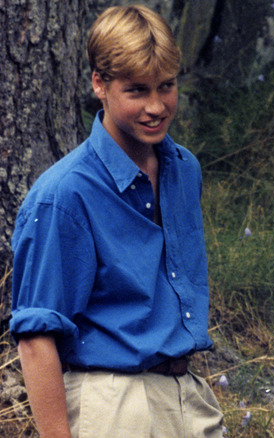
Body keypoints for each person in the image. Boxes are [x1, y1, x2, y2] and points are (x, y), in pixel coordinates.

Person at [10, 5, 223, 437]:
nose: (156, 106)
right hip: (111, 402)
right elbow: (36, 340)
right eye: (137, 91)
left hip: (187, 394)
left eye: (167, 86)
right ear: (99, 84)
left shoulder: (184, 170)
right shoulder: (64, 196)